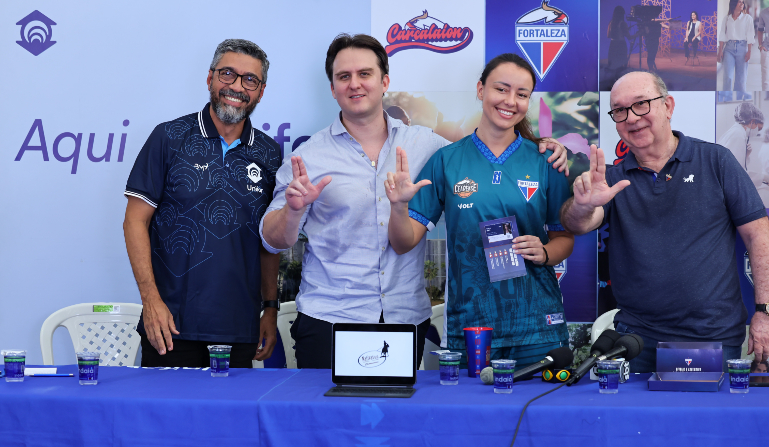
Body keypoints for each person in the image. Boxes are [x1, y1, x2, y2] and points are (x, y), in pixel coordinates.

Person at [260, 35, 570, 369]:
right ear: (333, 87)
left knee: (401, 420)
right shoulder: (308, 155)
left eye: (365, 74)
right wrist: (293, 211)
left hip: (404, 317)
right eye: (343, 77)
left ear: (384, 82)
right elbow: (272, 239)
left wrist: (546, 147)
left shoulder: (428, 145)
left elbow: (488, 151)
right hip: (330, 317)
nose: (355, 84)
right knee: (327, 420)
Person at [560, 71, 769, 373]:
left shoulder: (716, 162)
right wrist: (583, 205)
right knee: (637, 422)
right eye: (620, 111)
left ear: (668, 106)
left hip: (712, 337)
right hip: (635, 340)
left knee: (708, 422)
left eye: (641, 104)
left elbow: (759, 237)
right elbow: (579, 224)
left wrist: (766, 313)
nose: (631, 118)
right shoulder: (611, 179)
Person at [384, 53, 575, 368]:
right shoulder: (447, 161)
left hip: (537, 326)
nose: (510, 101)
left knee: (540, 414)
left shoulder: (545, 160)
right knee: (471, 416)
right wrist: (398, 206)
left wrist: (543, 252)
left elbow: (564, 238)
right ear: (480, 89)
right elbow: (404, 242)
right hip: (472, 328)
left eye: (522, 94)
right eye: (501, 89)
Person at [123, 39, 283, 367]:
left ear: (261, 91)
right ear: (210, 78)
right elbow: (134, 222)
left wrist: (270, 307)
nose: (236, 87)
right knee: (164, 418)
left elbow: (270, 241)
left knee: (231, 420)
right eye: (227, 74)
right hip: (170, 325)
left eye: (249, 80)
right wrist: (150, 301)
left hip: (240, 327)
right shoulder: (168, 137)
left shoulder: (269, 153)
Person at [718, 0, 755, 92]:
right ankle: (727, 96)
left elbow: (750, 35)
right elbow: (722, 34)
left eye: (743, 2)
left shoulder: (747, 18)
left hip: (742, 49)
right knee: (728, 77)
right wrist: (720, 51)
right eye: (739, 2)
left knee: (741, 79)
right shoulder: (727, 19)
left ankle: (739, 98)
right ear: (734, 3)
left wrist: (749, 51)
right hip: (729, 49)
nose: (742, 4)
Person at [717, 102, 764, 172]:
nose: (758, 131)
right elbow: (732, 169)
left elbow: (736, 163)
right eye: (759, 128)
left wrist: (746, 155)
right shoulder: (738, 134)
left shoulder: (737, 132)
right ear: (752, 122)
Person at [607, 6, 631, 78]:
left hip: (612, 45)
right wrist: (639, 33)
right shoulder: (623, 23)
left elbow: (608, 35)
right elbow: (629, 37)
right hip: (621, 45)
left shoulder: (611, 23)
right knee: (621, 65)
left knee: (614, 65)